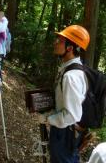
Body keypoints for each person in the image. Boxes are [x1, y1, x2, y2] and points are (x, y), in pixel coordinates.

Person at [37, 25, 90, 163]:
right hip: (66, 130)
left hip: (66, 132)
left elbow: (72, 115)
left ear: (70, 48)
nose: (55, 42)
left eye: (60, 40)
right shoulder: (69, 69)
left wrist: (48, 119)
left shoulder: (71, 76)